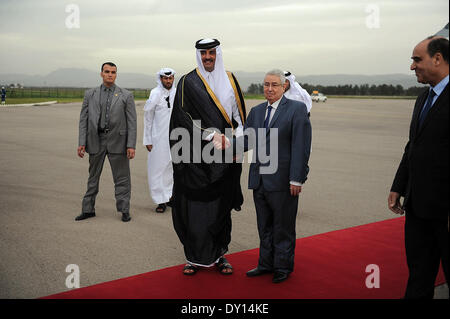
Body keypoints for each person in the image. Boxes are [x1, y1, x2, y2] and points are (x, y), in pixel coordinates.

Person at [169, 38, 246, 275]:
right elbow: (182, 118)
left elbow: (241, 119)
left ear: (218, 53)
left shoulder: (231, 81)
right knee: (194, 208)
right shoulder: (187, 82)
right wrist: (211, 135)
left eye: (211, 52)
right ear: (198, 55)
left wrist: (235, 145)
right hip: (194, 158)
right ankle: (193, 258)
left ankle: (220, 254)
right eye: (203, 54)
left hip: (224, 158)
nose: (208, 57)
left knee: (221, 208)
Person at [237, 69, 311, 283]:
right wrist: (227, 144)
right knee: (264, 225)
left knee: (283, 226)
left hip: (284, 181)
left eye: (274, 85)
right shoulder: (257, 111)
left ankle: (282, 266)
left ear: (284, 86)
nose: (269, 89)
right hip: (259, 180)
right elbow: (247, 141)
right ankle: (265, 263)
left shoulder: (297, 109)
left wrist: (297, 178)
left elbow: (301, 147)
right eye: (266, 85)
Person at [388, 36, 449, 299]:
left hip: (446, 210)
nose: (413, 66)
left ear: (438, 59)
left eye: (417, 59)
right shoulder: (423, 98)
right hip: (418, 206)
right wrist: (398, 186)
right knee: (419, 273)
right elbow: (413, 145)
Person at [76, 62, 137, 222]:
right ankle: (88, 209)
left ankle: (124, 210)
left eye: (113, 72)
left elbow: (132, 122)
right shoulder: (90, 94)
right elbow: (83, 120)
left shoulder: (126, 95)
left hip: (119, 141)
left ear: (116, 74)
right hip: (96, 140)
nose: (110, 74)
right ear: (101, 73)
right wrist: (82, 142)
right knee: (93, 177)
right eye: (107, 71)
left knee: (122, 178)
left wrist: (131, 145)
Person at [143, 68, 176, 213]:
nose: (168, 81)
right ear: (160, 79)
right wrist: (147, 139)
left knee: (171, 169)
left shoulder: (177, 93)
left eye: (170, 78)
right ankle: (159, 201)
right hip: (157, 139)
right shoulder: (154, 94)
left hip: (175, 138)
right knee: (156, 170)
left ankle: (169, 197)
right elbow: (148, 118)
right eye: (165, 78)